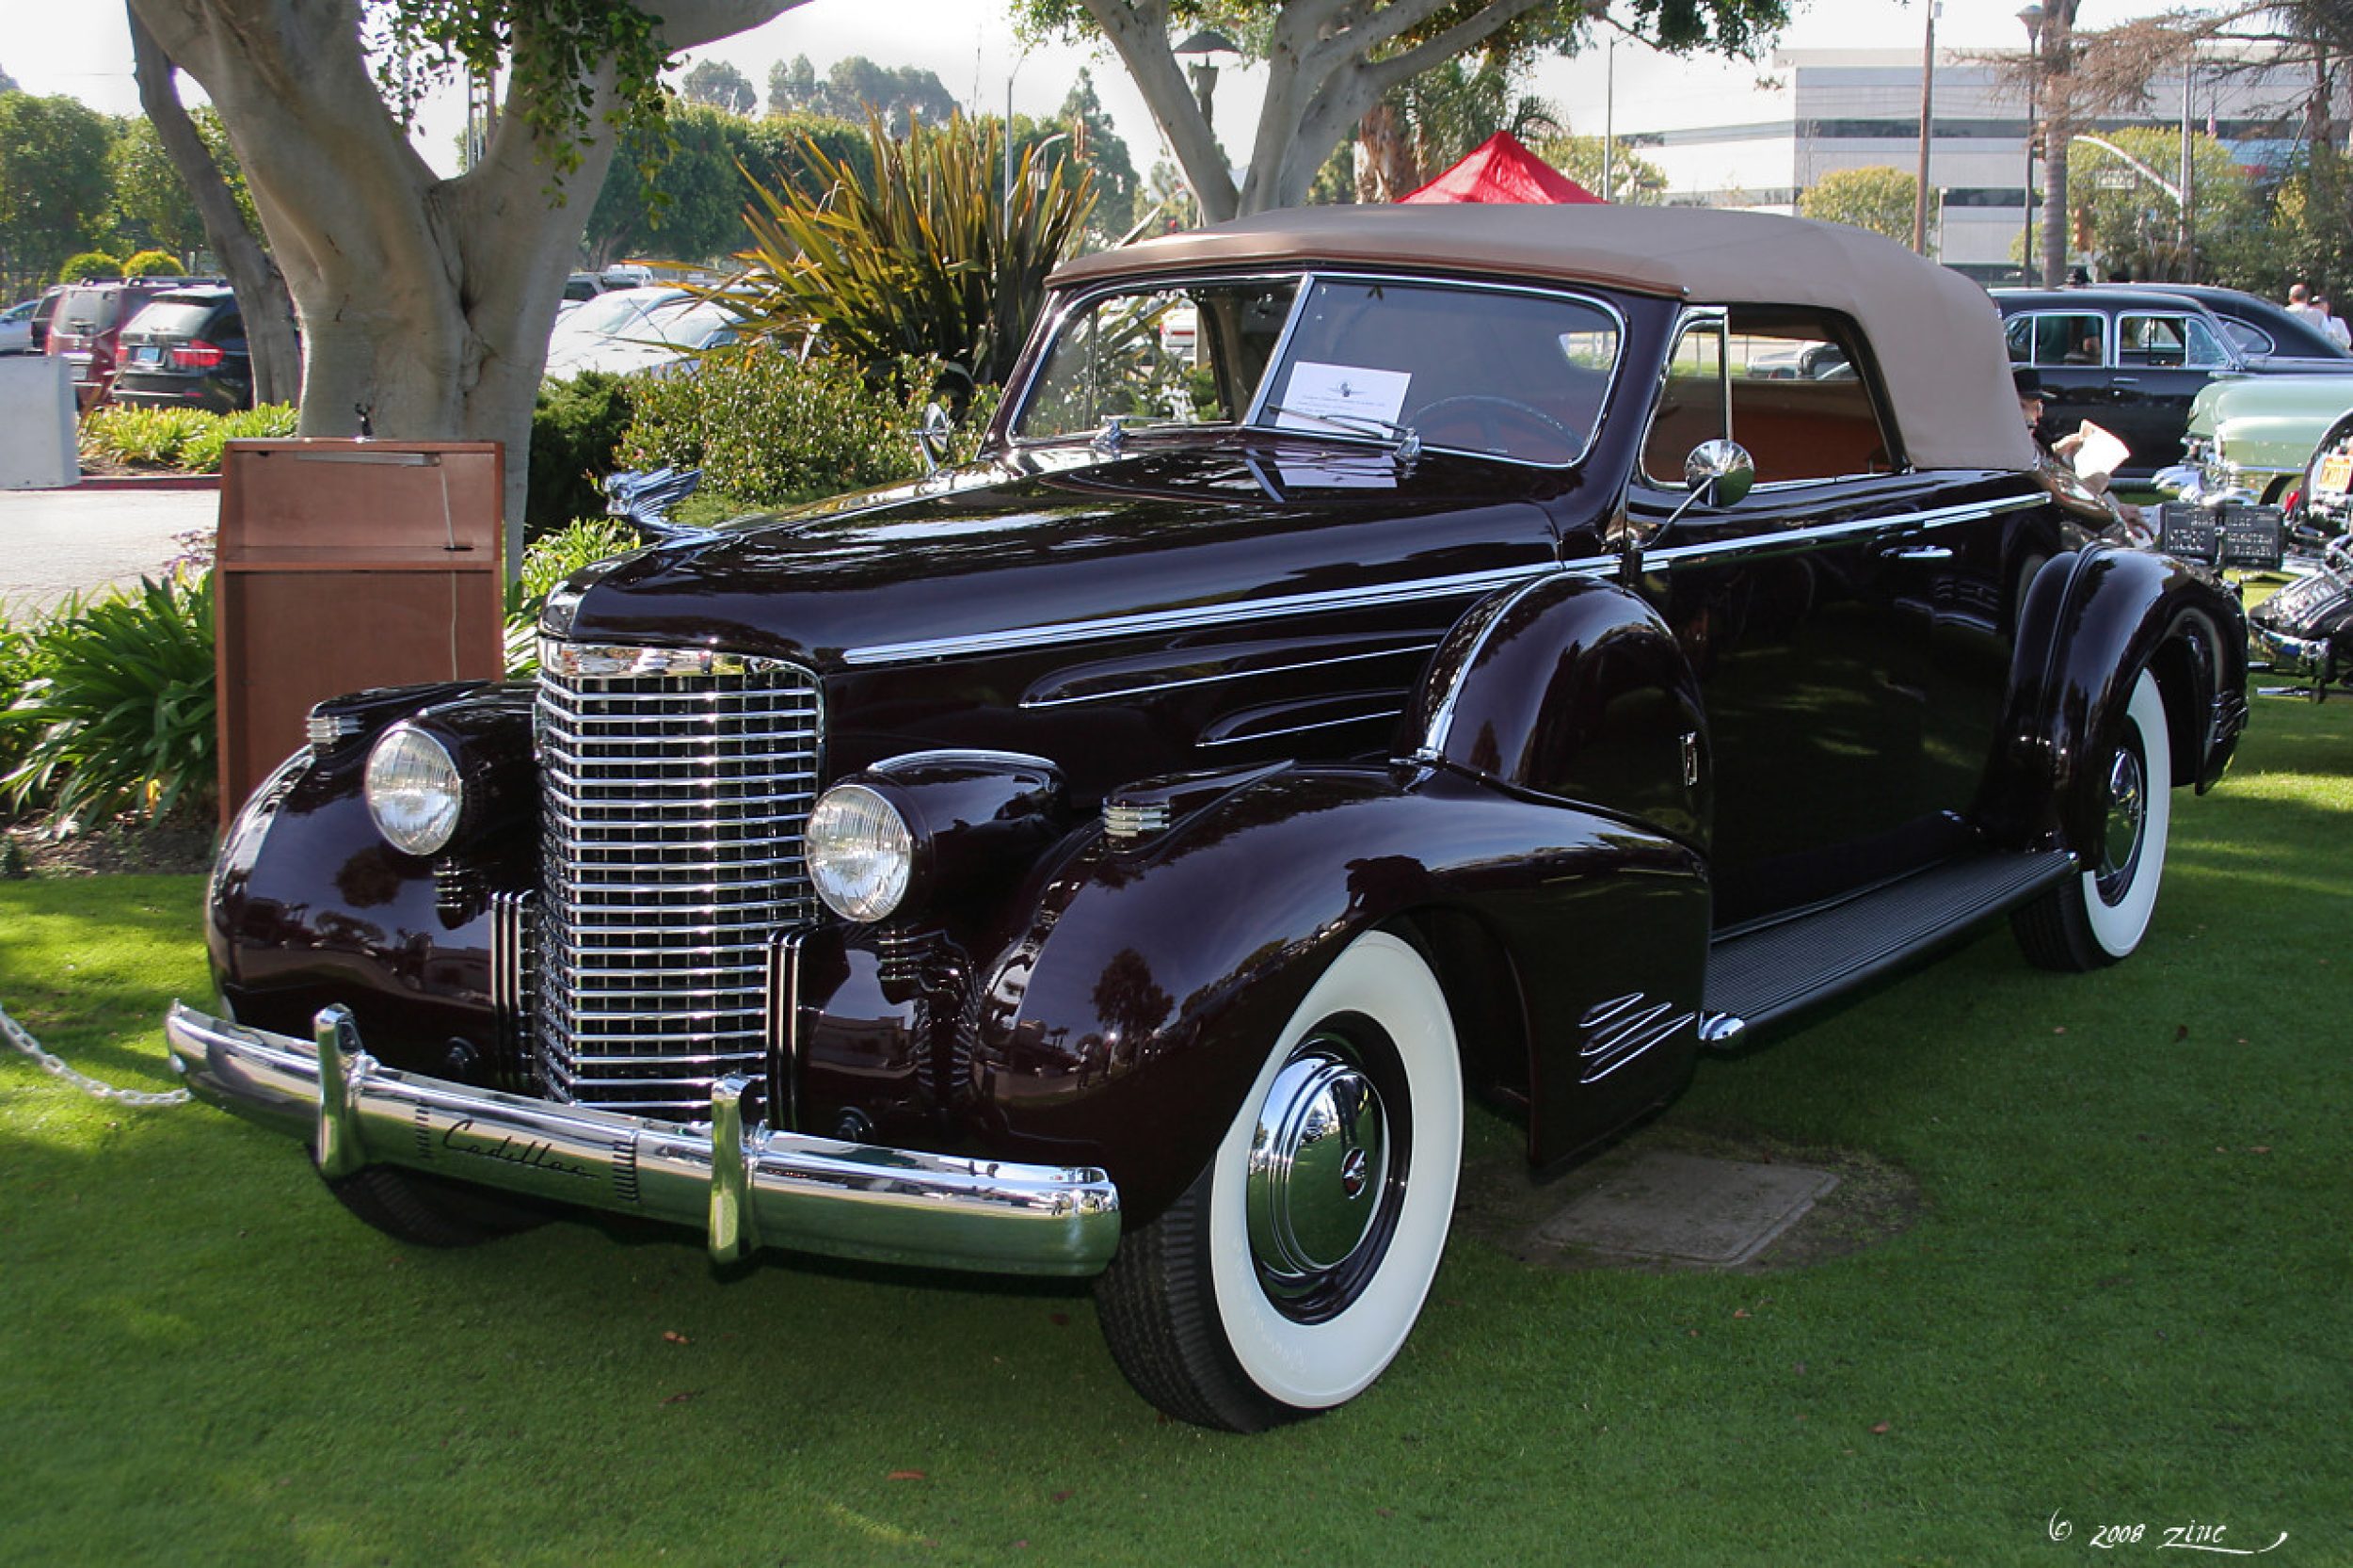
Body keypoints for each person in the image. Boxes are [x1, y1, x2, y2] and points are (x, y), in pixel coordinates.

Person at [2017, 367, 2149, 542]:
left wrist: (2116, 508)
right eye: (2023, 406)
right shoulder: (2011, 451)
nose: (2035, 415)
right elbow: (2060, 496)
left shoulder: (2040, 442)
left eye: (2038, 406)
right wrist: (2112, 510)